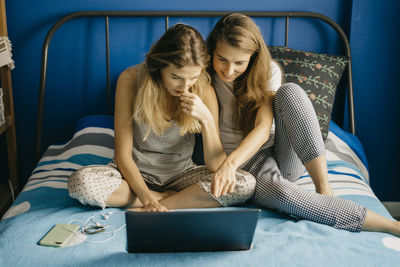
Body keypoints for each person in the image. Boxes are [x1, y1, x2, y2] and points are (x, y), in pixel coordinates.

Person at [206, 13, 400, 236]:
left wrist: (230, 164)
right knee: (282, 195)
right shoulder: (203, 75)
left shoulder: (268, 71)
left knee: (290, 91)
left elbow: (262, 128)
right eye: (222, 59)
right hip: (246, 166)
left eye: (239, 62)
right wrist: (228, 164)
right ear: (212, 52)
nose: (229, 70)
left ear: (253, 57)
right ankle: (390, 226)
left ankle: (324, 188)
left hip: (275, 152)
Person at [68, 23, 256, 212]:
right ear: (159, 67)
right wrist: (147, 197)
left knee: (245, 184)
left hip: (181, 174)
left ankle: (160, 203)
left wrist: (206, 120)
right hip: (132, 175)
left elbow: (216, 166)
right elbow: (123, 156)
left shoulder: (205, 90)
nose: (185, 86)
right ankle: (174, 200)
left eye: (193, 77)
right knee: (81, 183)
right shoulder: (131, 80)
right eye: (176, 76)